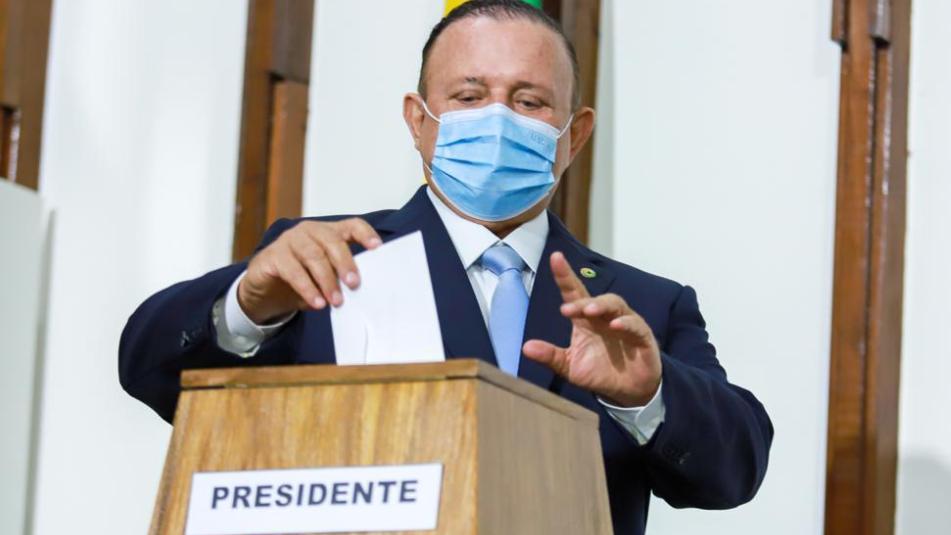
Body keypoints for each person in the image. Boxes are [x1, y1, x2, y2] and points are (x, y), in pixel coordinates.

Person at [118, 1, 773, 533]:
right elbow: (148, 369)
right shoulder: (323, 262)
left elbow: (735, 470)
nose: (498, 119)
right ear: (418, 120)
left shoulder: (641, 308)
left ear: (573, 135)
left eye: (529, 101)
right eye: (468, 95)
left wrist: (646, 395)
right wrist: (246, 305)